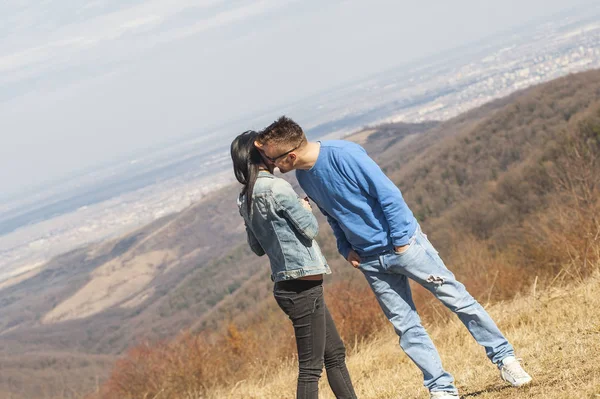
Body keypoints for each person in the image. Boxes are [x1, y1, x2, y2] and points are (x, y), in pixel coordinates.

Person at [254, 116, 532, 399]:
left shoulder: (344, 155)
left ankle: (506, 359)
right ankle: (441, 388)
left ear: (290, 155)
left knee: (458, 300)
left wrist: (400, 242)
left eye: (274, 158)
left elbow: (388, 195)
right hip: (370, 260)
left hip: (406, 247)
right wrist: (345, 247)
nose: (272, 165)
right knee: (406, 326)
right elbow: (332, 214)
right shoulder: (304, 176)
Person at [230, 130, 357, 399]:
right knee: (311, 369)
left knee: (334, 353)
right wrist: (305, 209)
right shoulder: (278, 188)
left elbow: (256, 248)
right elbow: (310, 229)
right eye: (265, 149)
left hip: (289, 287)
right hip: (303, 290)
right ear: (259, 156)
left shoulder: (245, 198)